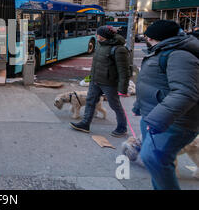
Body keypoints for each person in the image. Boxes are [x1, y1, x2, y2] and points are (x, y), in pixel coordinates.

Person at [132, 20, 199, 190]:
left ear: (159, 38)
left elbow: (185, 93)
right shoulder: (163, 50)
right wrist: (140, 106)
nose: (147, 40)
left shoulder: (180, 55)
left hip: (173, 122)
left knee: (154, 158)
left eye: (149, 37)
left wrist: (156, 120)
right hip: (155, 116)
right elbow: (153, 83)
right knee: (155, 163)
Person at [70, 25, 130, 137]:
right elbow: (96, 64)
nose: (96, 36)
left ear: (104, 36)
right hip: (96, 80)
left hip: (109, 83)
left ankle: (122, 128)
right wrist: (91, 77)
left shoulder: (119, 49)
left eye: (98, 34)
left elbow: (124, 71)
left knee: (115, 105)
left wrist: (123, 89)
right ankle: (85, 124)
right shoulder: (100, 45)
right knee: (90, 101)